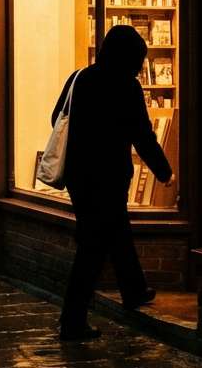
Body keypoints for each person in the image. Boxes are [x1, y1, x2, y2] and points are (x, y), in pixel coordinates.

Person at [52, 24, 173, 341]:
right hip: (109, 176)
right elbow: (142, 136)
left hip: (79, 177)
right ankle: (72, 321)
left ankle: (133, 289)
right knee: (92, 248)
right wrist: (164, 172)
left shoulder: (79, 78)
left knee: (117, 232)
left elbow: (56, 118)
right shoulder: (126, 86)